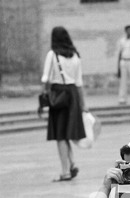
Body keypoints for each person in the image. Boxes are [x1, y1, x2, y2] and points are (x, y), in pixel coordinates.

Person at [41, 26, 87, 182]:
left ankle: (65, 171)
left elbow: (45, 79)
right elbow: (79, 83)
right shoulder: (75, 56)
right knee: (66, 134)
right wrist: (83, 105)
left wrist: (44, 97)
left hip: (59, 94)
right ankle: (71, 164)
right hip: (73, 94)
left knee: (61, 136)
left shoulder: (52, 54)